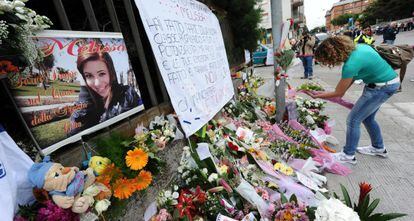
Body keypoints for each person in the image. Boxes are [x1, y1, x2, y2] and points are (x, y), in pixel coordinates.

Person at [311, 36, 400, 164]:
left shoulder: (350, 65)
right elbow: (345, 87)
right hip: (388, 83)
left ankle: (348, 155)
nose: (329, 63)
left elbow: (338, 92)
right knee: (368, 118)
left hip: (380, 88)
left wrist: (318, 95)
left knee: (353, 120)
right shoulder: (361, 47)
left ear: (332, 54)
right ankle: (378, 147)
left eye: (327, 60)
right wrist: (333, 93)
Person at [69, 51, 141, 135]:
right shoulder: (84, 106)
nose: (97, 84)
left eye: (102, 74)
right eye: (89, 76)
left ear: (111, 73)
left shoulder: (127, 96)